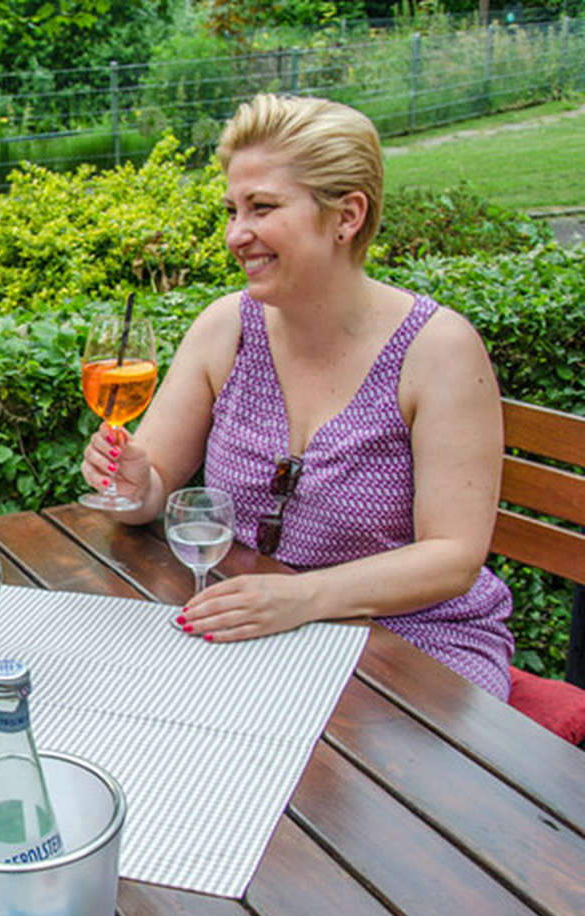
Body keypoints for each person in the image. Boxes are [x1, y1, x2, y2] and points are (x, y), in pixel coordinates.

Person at [80, 93, 514, 700]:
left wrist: (305, 597)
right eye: (231, 209)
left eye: (262, 207)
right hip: (263, 623)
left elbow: (453, 559)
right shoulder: (224, 329)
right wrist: (128, 482)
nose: (236, 234)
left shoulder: (438, 349)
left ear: (347, 216)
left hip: (414, 642)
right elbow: (149, 490)